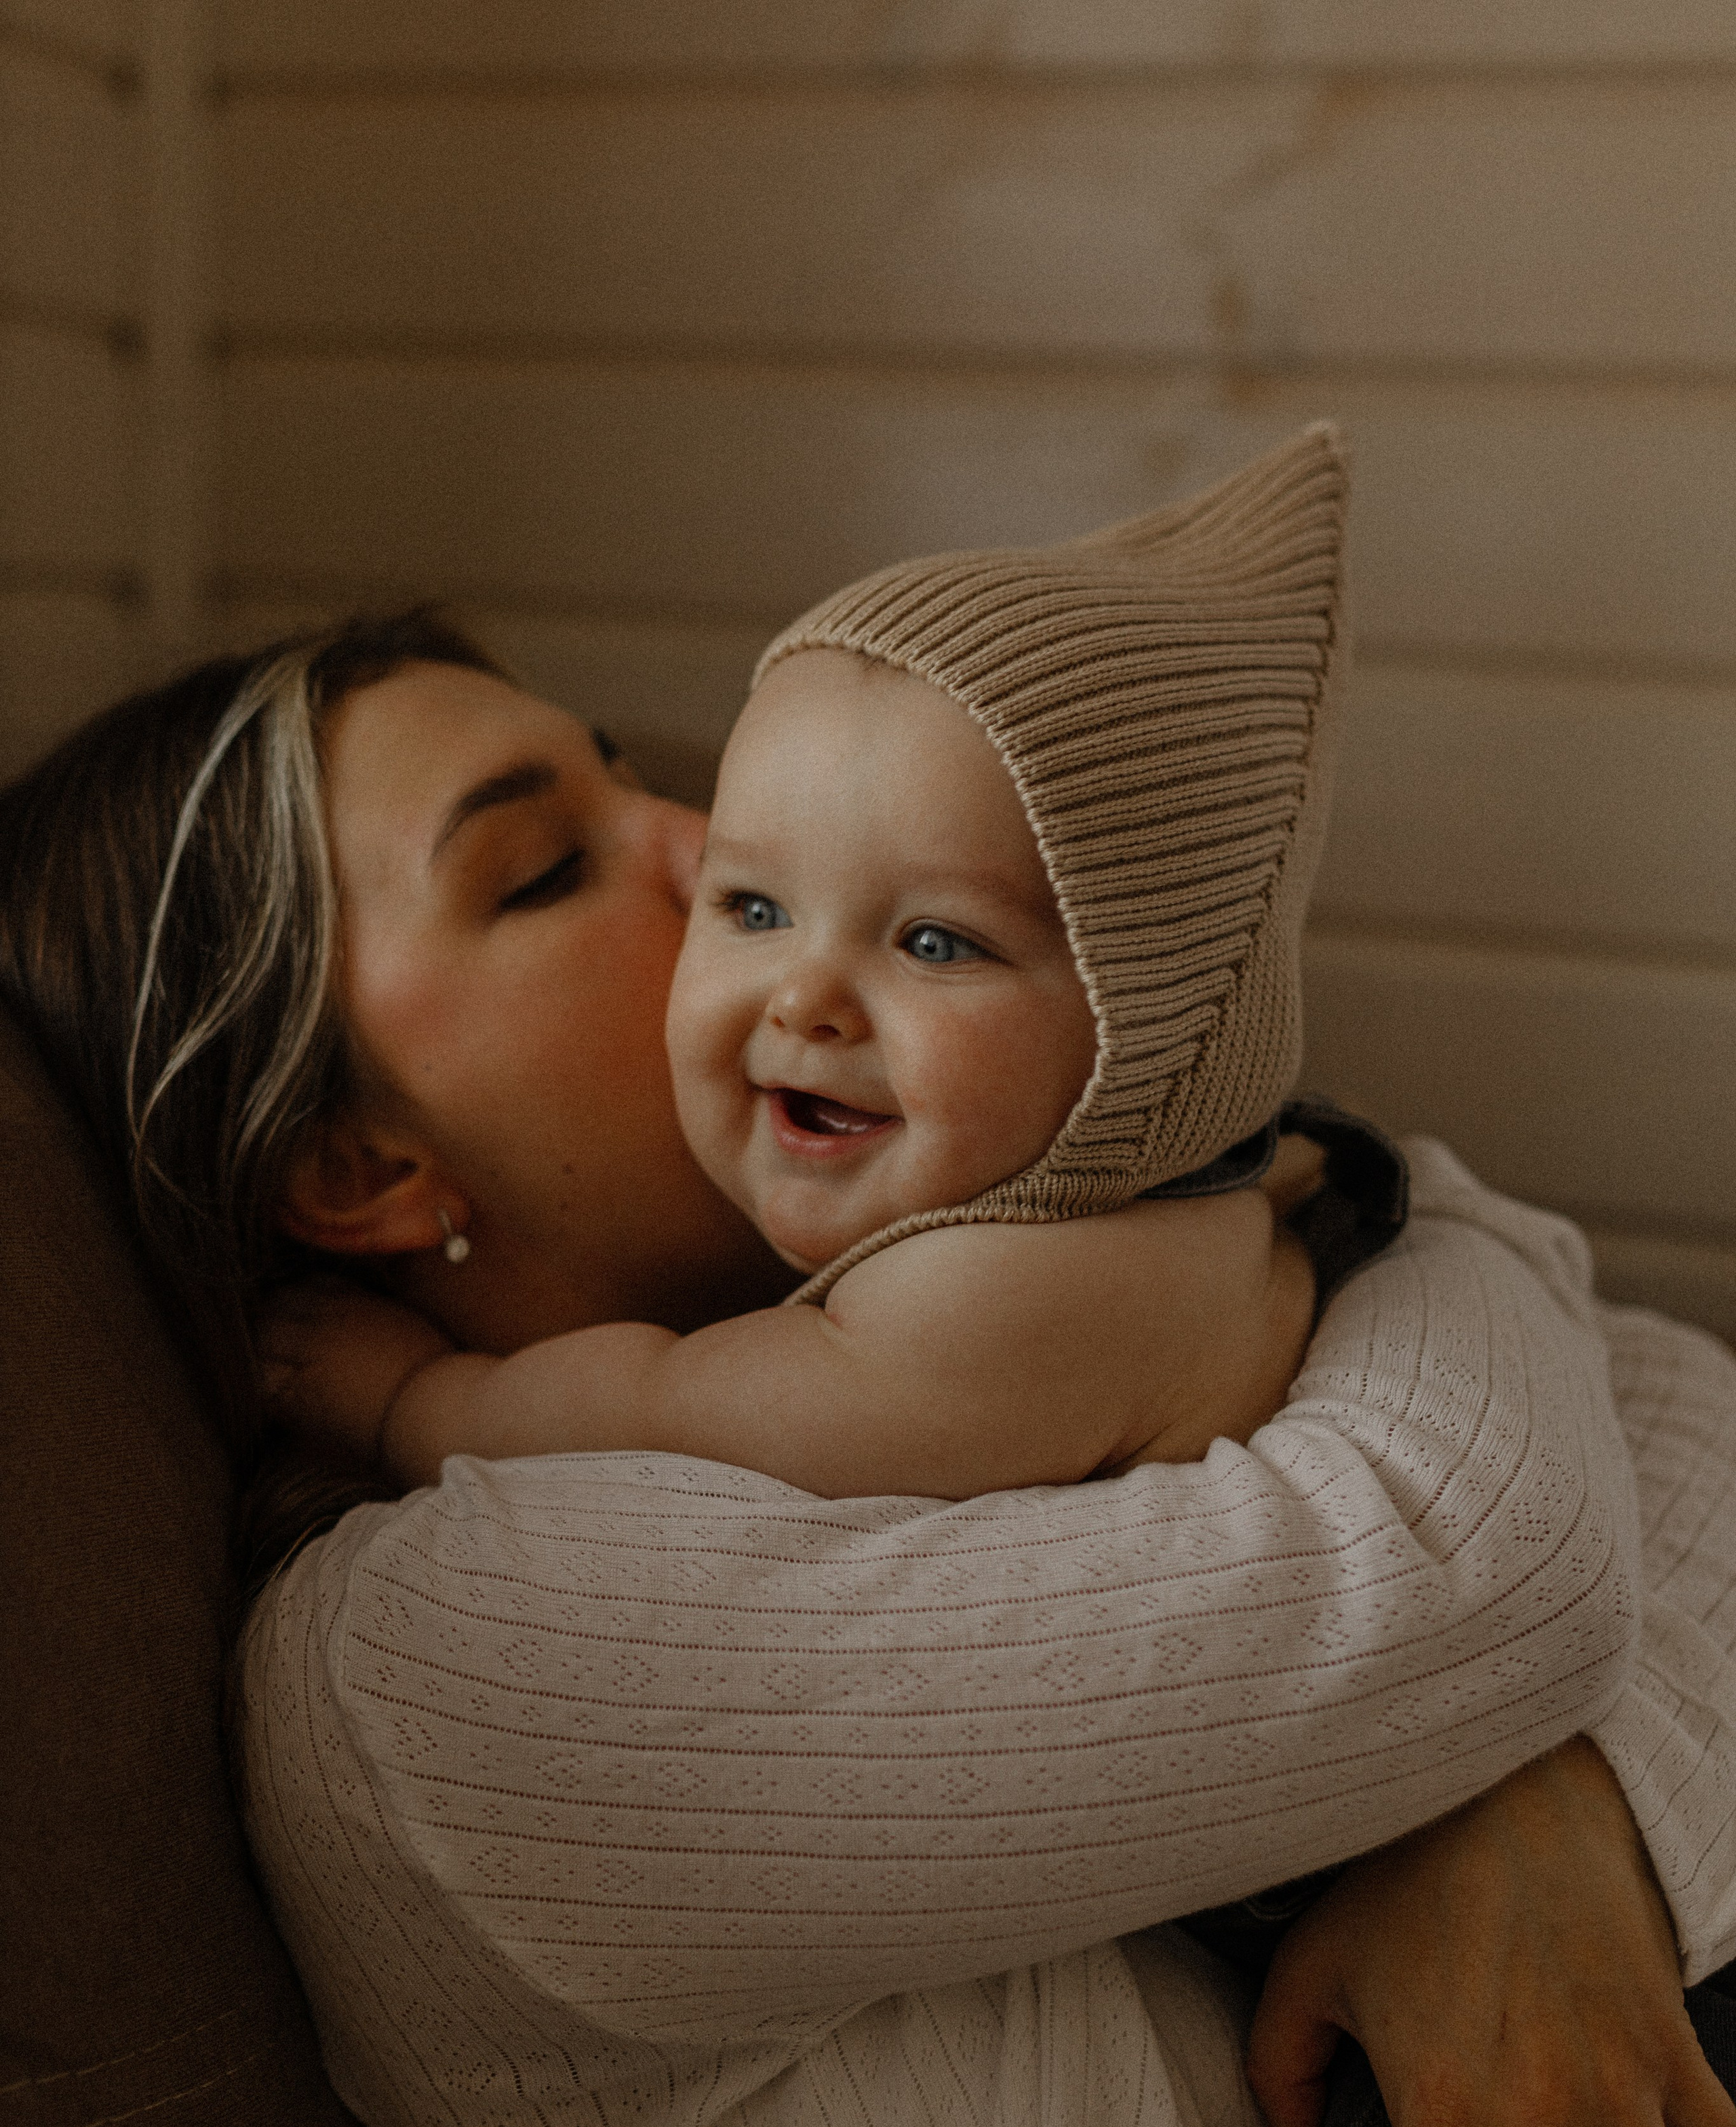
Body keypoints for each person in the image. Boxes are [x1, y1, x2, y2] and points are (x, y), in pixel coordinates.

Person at [2, 511, 1734, 2127]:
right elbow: (1480, 1550)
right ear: (358, 1171)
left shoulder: (992, 1279)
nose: (722, 851)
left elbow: (1647, 1381)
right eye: (552, 867)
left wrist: (1549, 1813)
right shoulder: (432, 1680)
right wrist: (1505, 1786)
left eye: (648, 783)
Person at [263, 429, 1384, 1504]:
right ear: (355, 1168)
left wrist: (418, 1404)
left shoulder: (1000, 1293)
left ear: (1147, 1015)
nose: (802, 995)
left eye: (936, 943)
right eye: (756, 904)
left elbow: (662, 1415)